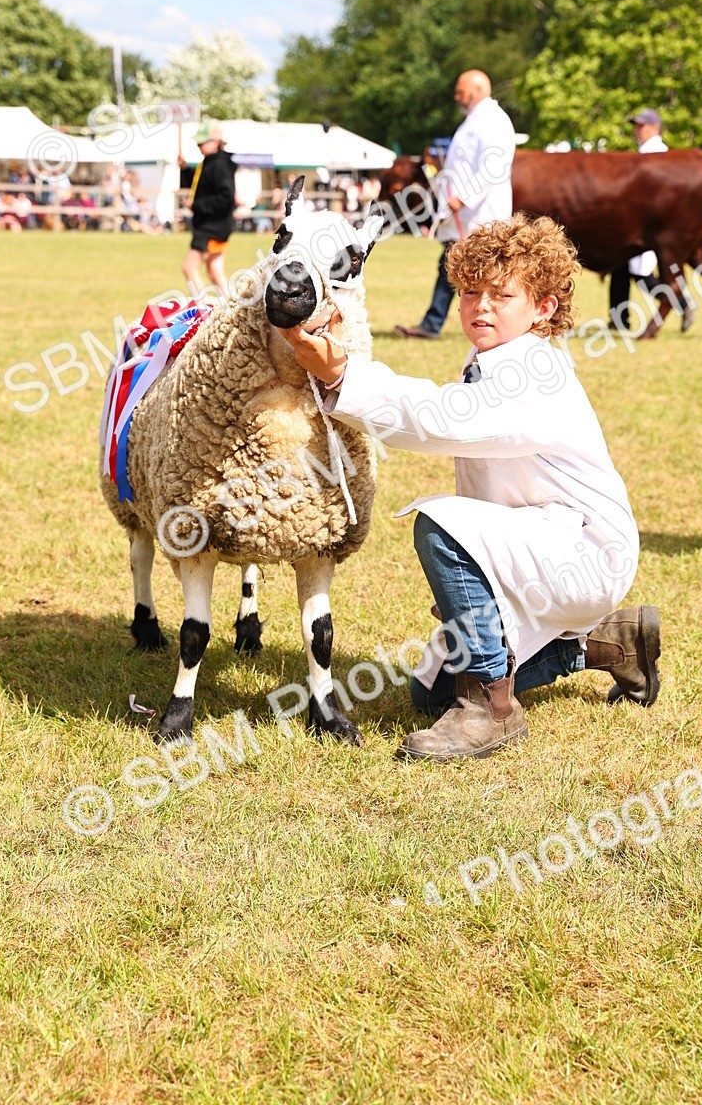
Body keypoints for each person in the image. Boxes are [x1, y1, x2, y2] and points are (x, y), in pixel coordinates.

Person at [278, 213, 660, 762]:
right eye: (470, 292)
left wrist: (342, 373)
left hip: (584, 554)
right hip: (541, 548)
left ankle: (491, 709)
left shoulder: (533, 373)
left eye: (502, 295)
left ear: (544, 308)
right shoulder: (487, 360)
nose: (481, 306)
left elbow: (442, 418)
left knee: (440, 524)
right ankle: (612, 643)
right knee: (427, 693)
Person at [395, 69, 516, 340]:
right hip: (467, 216)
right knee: (455, 267)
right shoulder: (475, 121)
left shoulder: (493, 121)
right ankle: (432, 324)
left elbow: (494, 166)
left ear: (477, 89)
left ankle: (508, 324)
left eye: (461, 91)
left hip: (482, 215)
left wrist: (464, 197)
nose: (456, 97)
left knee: (492, 274)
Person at [608, 109, 691, 331]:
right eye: (636, 126)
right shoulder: (653, 152)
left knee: (642, 275)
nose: (637, 130)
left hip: (648, 226)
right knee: (620, 269)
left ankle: (682, 303)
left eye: (642, 126)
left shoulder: (654, 154)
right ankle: (619, 319)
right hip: (638, 225)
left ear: (655, 128)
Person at [180, 118, 236, 297]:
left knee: (189, 268)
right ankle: (231, 309)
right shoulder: (210, 162)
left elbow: (226, 196)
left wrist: (196, 205)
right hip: (216, 225)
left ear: (215, 141)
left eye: (202, 141)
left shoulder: (219, 165)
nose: (198, 145)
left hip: (211, 227)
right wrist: (185, 168)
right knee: (215, 271)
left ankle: (204, 310)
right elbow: (203, 185)